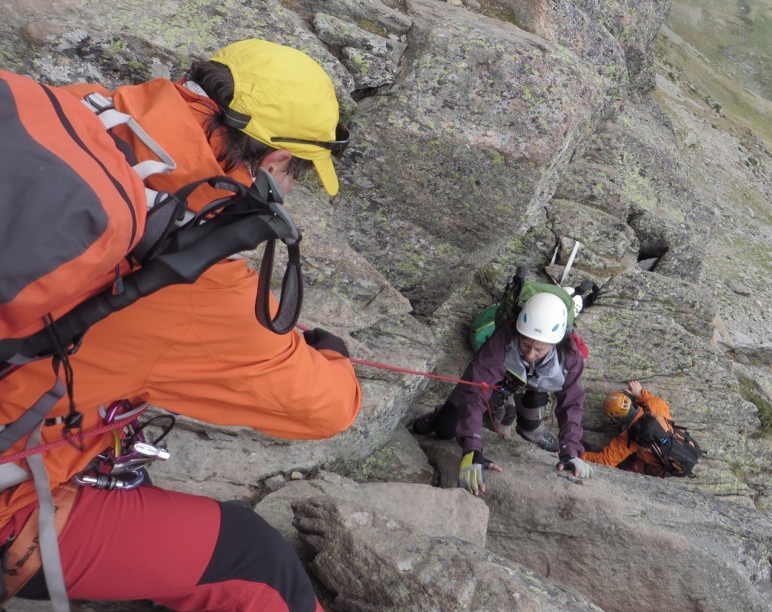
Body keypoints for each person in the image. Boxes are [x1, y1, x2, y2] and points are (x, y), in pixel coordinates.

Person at [0, 39, 361, 612]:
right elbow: (326, 409)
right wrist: (332, 352)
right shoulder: (192, 278)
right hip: (8, 502)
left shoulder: (69, 109)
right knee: (258, 564)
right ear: (272, 162)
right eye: (295, 169)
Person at [410, 292, 592, 495]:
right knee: (445, 429)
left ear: (555, 343)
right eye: (525, 344)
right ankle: (438, 416)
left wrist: (570, 450)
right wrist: (472, 448)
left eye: (538, 350)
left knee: (530, 430)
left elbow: (572, 404)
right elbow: (475, 390)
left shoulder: (570, 357)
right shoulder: (504, 337)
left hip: (534, 386)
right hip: (495, 378)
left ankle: (532, 428)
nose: (530, 354)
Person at [583, 380, 677, 476]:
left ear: (616, 418)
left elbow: (605, 461)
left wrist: (577, 454)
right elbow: (656, 402)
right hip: (681, 445)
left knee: (627, 465)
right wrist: (640, 393)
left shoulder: (629, 439)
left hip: (664, 465)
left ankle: (649, 468)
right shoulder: (656, 408)